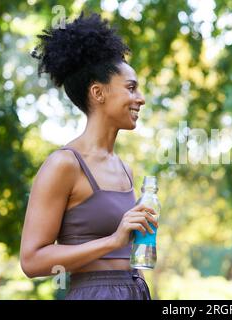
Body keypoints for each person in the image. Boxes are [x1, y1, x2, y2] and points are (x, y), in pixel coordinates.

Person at [20, 12, 158, 300]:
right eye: (131, 88)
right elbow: (32, 261)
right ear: (98, 92)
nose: (141, 98)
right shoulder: (64, 164)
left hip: (134, 289)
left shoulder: (124, 169)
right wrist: (112, 241)